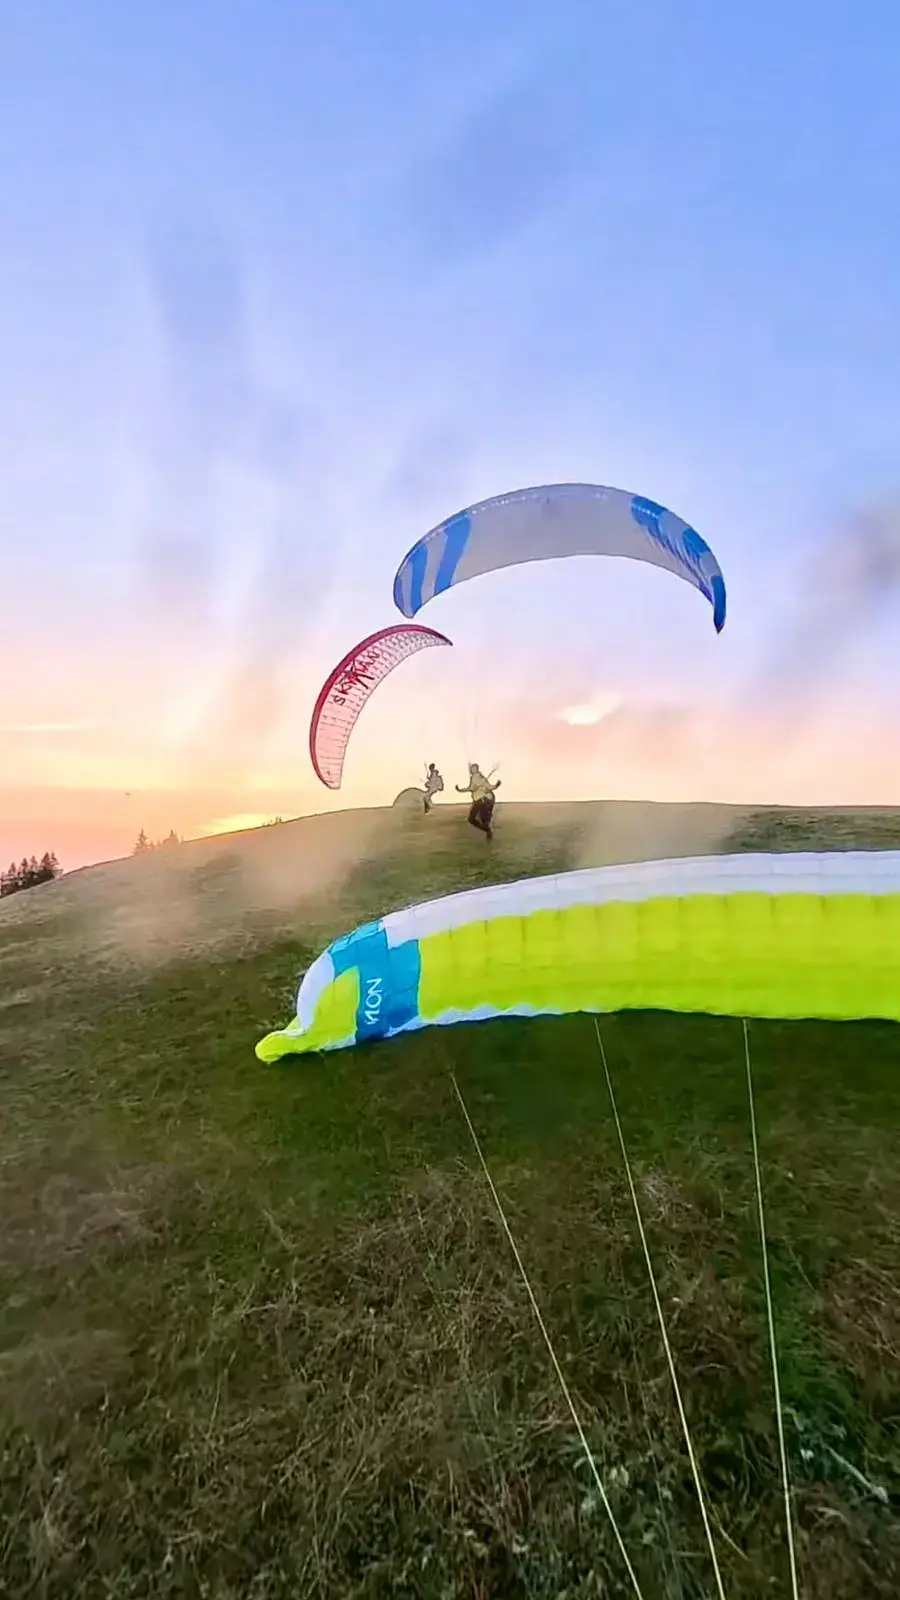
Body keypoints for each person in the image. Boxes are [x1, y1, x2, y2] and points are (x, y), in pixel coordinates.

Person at [456, 762, 500, 839]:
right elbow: (487, 787)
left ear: (476, 769)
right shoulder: (478, 777)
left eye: (473, 768)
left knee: (472, 819)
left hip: (481, 801)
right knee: (477, 819)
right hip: (480, 801)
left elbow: (474, 788)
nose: (472, 770)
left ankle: (488, 831)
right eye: (472, 768)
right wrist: (496, 785)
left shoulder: (477, 777)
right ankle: (488, 830)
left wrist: (460, 790)